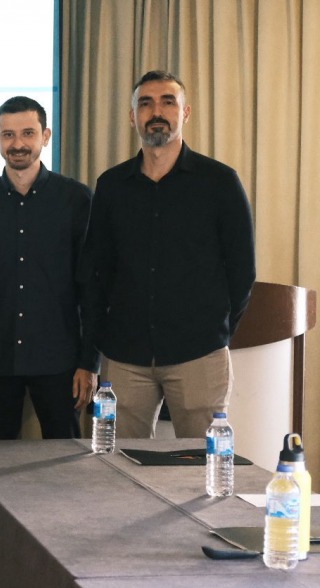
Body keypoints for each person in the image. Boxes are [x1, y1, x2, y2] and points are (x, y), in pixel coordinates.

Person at [79, 70, 256, 439]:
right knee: (117, 462)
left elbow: (242, 271)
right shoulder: (111, 186)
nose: (156, 111)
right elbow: (96, 269)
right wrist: (101, 336)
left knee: (201, 464)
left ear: (185, 113)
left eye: (167, 102)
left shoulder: (220, 182)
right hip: (124, 356)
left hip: (198, 354)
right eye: (146, 103)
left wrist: (216, 330)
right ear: (133, 116)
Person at [0, 96, 96, 439]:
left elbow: (92, 288)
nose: (17, 144)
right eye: (8, 135)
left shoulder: (76, 200)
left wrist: (89, 362)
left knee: (66, 459)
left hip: (60, 360)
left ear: (45, 136)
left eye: (28, 133)